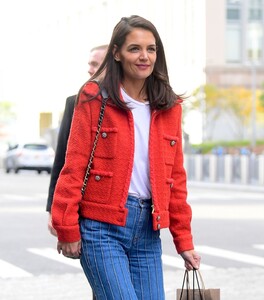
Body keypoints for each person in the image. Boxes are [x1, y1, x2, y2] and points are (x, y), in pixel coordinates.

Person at [51, 15, 201, 300]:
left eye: (151, 49)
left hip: (147, 231)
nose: (144, 56)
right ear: (117, 53)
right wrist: (66, 226)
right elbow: (74, 165)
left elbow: (175, 178)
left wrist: (184, 240)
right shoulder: (95, 96)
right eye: (135, 48)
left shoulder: (169, 105)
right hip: (101, 228)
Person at [46, 44, 108, 236]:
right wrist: (53, 210)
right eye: (89, 64)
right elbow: (62, 161)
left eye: (96, 64)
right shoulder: (75, 102)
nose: (90, 69)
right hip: (86, 207)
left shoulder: (134, 104)